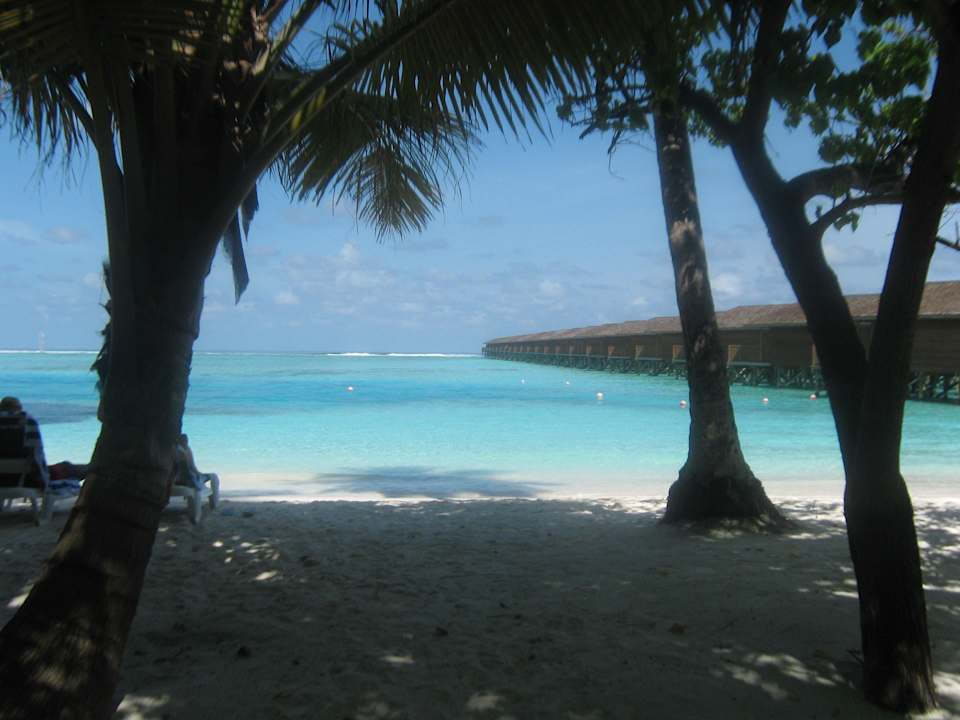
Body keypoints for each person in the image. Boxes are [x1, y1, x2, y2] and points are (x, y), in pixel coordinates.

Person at [0, 396, 50, 489]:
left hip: (2, 480)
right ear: (19, 408)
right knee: (69, 467)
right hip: (26, 481)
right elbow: (37, 456)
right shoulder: (28, 421)